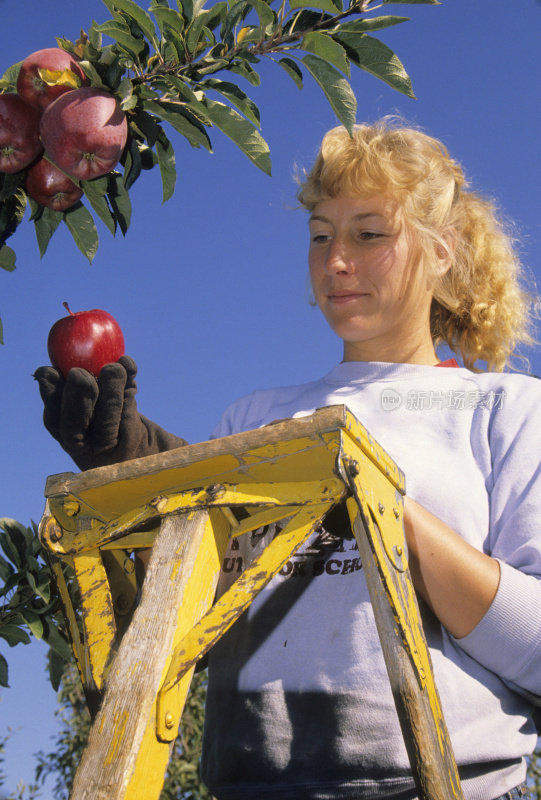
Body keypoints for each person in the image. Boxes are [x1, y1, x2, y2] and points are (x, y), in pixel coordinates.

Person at [35, 118, 541, 800]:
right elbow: (194, 613)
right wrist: (137, 468)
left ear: (442, 251)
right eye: (320, 236)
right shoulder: (254, 418)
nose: (336, 260)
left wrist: (380, 510)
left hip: (442, 783)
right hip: (254, 783)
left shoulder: (503, 411)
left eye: (368, 233)